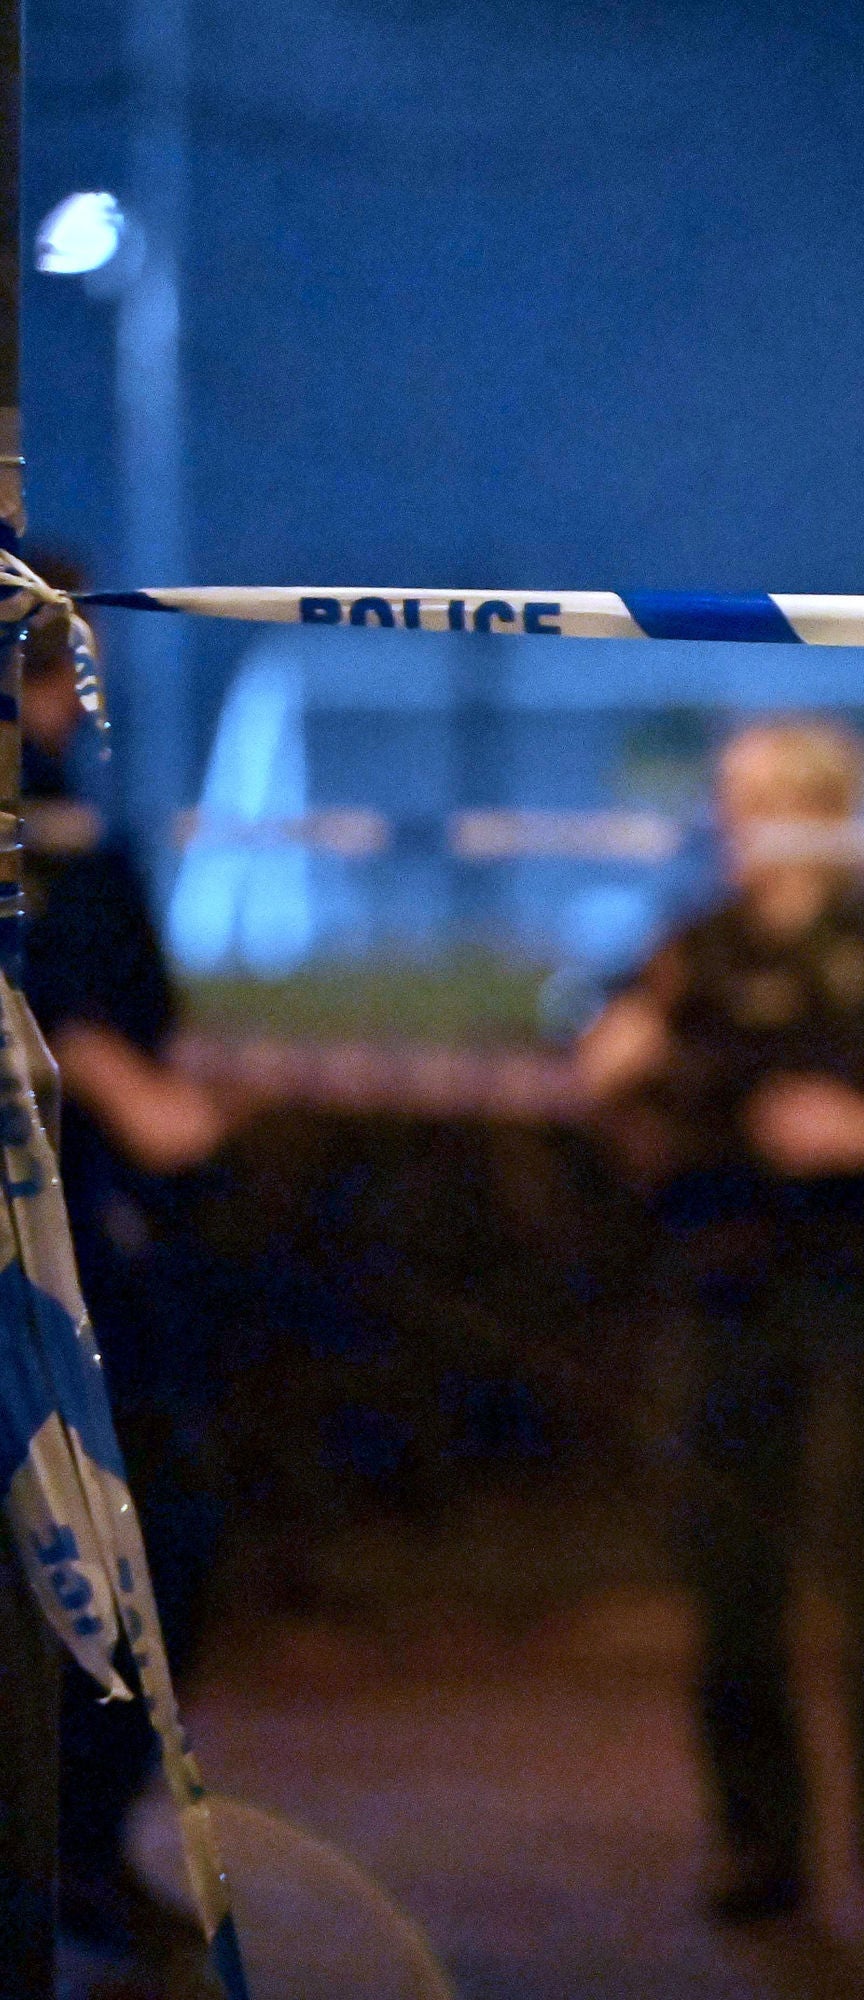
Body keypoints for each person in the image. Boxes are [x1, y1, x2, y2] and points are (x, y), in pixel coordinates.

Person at [578, 718, 864, 1928]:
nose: (735, 822)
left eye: (761, 799)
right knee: (729, 1577)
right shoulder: (693, 948)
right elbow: (601, 1073)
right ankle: (756, 1841)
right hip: (729, 1294)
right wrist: (619, 1054)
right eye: (730, 799)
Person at [18, 564, 232, 1957]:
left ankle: (80, 1856)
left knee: (156, 1538)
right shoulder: (43, 826)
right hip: (48, 1258)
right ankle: (59, 1867)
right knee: (127, 1542)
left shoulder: (76, 817)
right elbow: (71, 1006)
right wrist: (115, 1078)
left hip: (100, 1246)